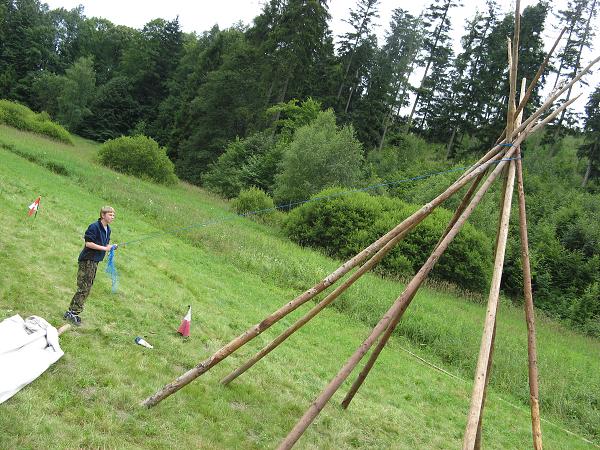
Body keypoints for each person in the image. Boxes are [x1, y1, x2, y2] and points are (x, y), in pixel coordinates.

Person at [64, 206, 118, 326]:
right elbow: (88, 243)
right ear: (103, 215)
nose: (112, 217)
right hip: (87, 260)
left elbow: (105, 243)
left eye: (113, 215)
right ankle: (72, 313)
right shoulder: (94, 226)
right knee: (84, 287)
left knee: (87, 287)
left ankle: (72, 311)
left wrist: (111, 246)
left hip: (95, 261)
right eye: (110, 215)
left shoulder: (108, 229)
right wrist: (104, 248)